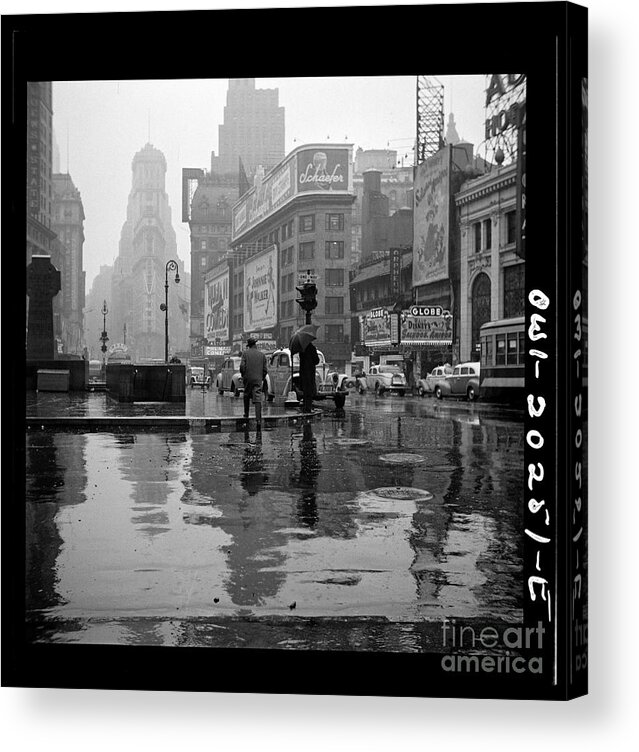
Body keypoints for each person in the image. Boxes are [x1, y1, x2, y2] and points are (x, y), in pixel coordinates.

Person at [240, 337, 267, 427]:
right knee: (258, 397)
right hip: (258, 379)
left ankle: (246, 414)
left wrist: (244, 375)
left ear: (249, 345)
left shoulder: (245, 354)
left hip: (248, 378)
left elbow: (242, 367)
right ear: (255, 344)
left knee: (246, 395)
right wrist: (261, 378)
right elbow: (265, 370)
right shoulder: (262, 355)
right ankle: (258, 419)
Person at [298, 341, 319, 413]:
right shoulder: (312, 348)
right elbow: (317, 361)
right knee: (309, 391)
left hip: (303, 372)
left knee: (305, 391)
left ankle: (305, 407)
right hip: (310, 372)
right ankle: (308, 408)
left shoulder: (301, 349)